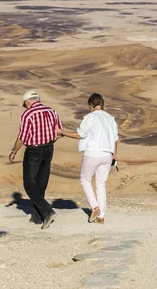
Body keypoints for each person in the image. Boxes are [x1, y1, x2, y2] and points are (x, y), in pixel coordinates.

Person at [59, 93, 119, 224]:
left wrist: (62, 133)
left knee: (85, 180)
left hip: (93, 153)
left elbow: (79, 134)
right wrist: (114, 156)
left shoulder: (90, 117)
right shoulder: (110, 118)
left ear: (90, 104)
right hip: (108, 154)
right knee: (101, 184)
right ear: (102, 103)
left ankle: (95, 207)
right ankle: (101, 216)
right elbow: (115, 140)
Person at [9, 89, 63, 230]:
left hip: (34, 150)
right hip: (49, 148)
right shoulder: (52, 112)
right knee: (41, 183)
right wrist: (48, 139)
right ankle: (37, 217)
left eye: (24, 104)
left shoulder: (28, 114)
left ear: (28, 101)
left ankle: (47, 211)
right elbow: (59, 132)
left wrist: (14, 151)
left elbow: (22, 137)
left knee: (29, 183)